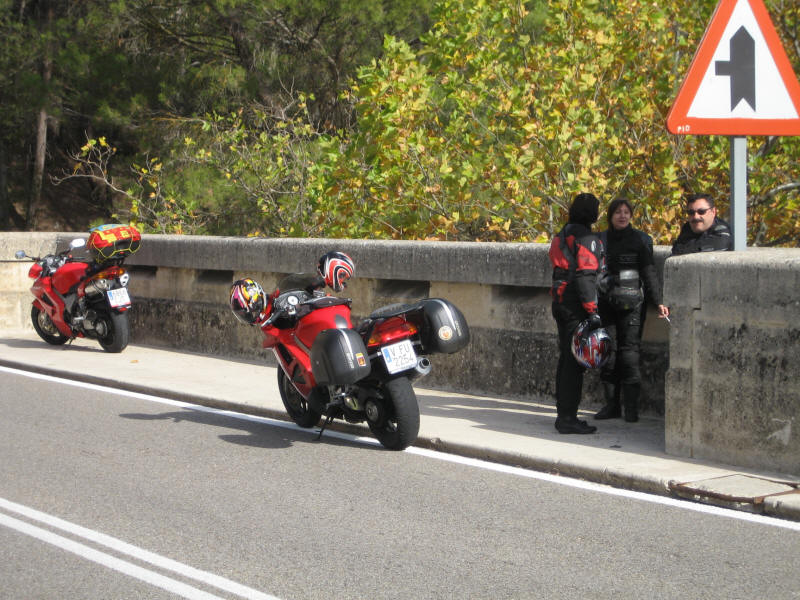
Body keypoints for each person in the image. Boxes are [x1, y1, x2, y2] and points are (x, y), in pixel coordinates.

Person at [594, 198, 670, 423]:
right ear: (610, 216)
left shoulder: (639, 240)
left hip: (631, 303)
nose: (622, 216)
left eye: (626, 212)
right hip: (605, 302)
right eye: (618, 212)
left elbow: (649, 272)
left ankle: (631, 409)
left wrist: (659, 302)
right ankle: (611, 405)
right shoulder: (600, 240)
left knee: (629, 354)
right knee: (607, 354)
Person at [549, 192, 605, 434]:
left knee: (565, 360)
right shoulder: (587, 237)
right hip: (575, 304)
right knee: (575, 363)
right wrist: (592, 311)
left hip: (560, 300)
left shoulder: (563, 233)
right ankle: (568, 418)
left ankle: (563, 413)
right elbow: (586, 275)